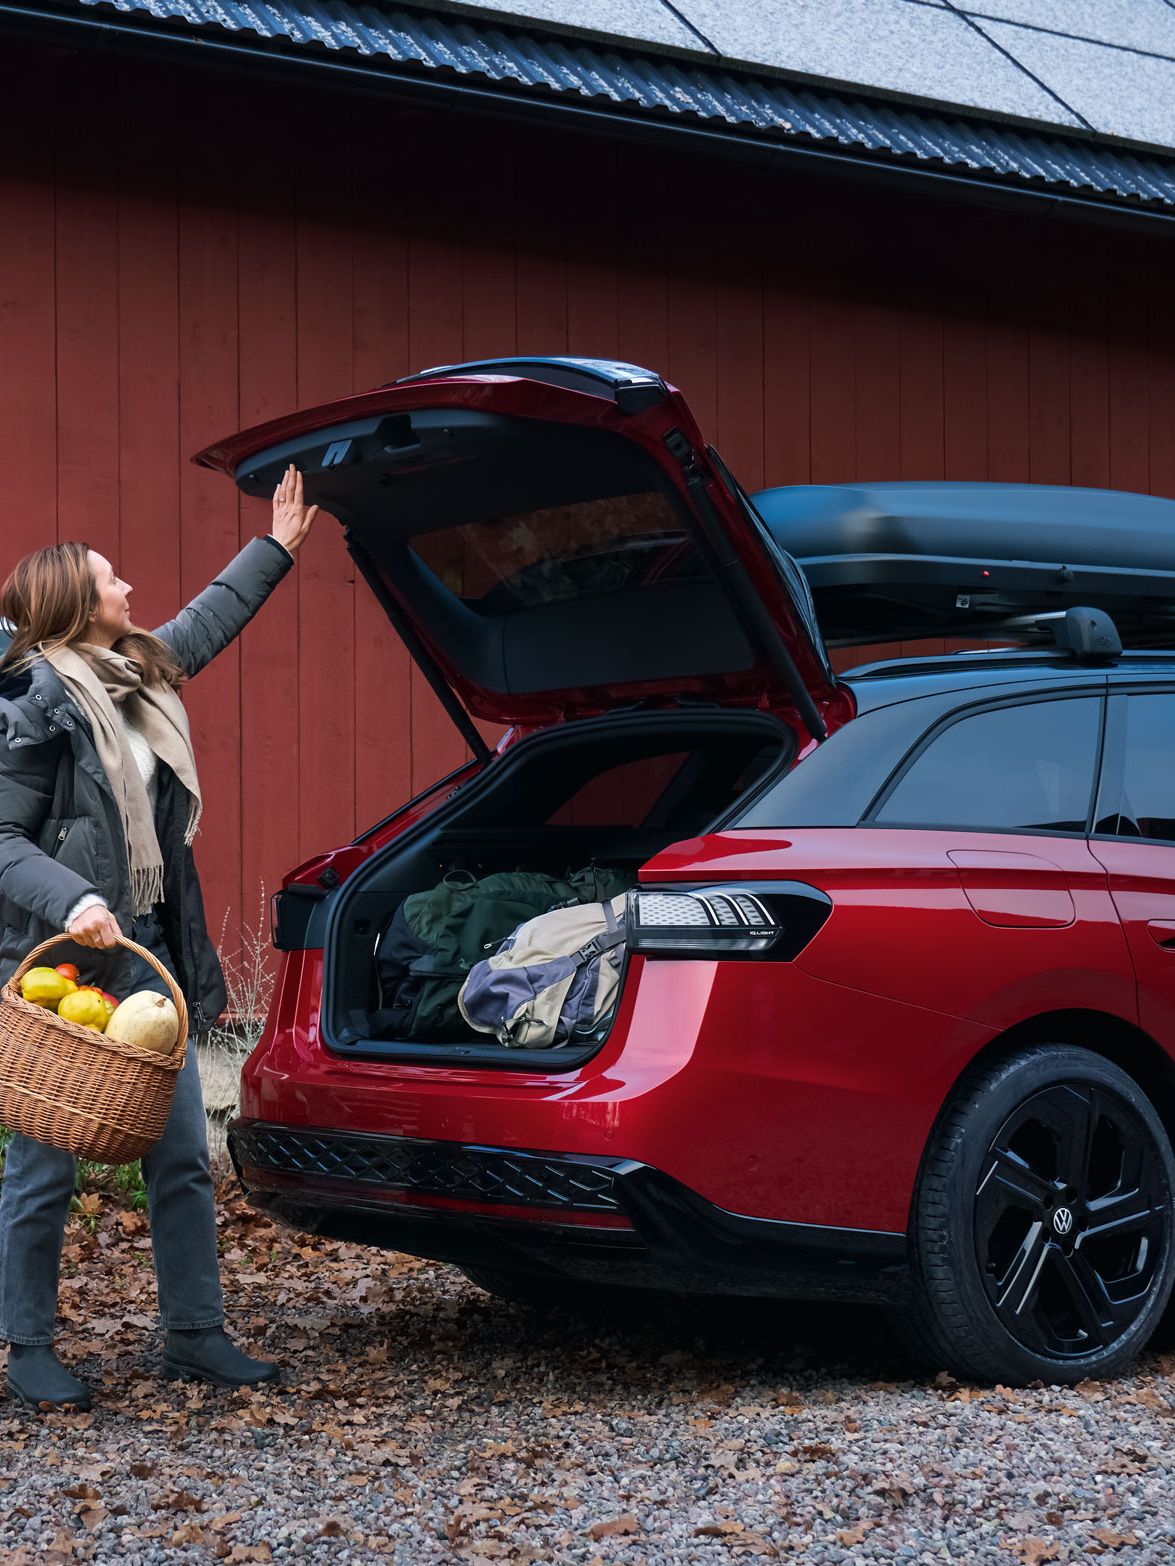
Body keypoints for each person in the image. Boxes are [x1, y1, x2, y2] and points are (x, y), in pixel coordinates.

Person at [0, 466, 319, 1410]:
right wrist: (69, 903)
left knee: (180, 1154)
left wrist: (279, 548)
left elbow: (204, 623)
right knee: (42, 1168)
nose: (128, 588)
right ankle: (26, 1348)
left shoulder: (134, 678)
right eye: (108, 579)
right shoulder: (31, 710)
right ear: (71, 603)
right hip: (57, 964)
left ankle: (193, 1334)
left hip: (149, 953)